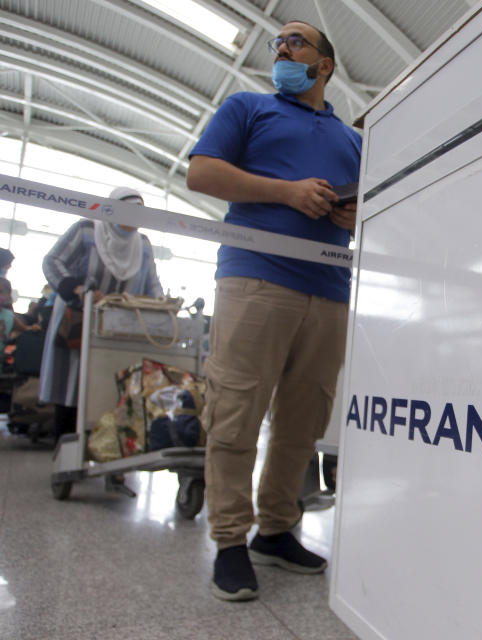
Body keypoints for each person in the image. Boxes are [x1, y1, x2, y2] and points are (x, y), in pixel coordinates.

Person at [186, 20, 360, 602]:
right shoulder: (247, 109)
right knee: (236, 411)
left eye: (295, 42)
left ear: (325, 64)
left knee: (302, 423)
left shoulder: (355, 142)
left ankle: (276, 529)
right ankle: (231, 541)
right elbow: (202, 172)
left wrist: (356, 217)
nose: (281, 49)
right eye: (277, 43)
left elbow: (376, 208)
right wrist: (286, 192)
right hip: (255, 279)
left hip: (330, 289)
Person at [38, 187, 163, 440]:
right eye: (128, 210)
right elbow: (52, 261)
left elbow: (152, 285)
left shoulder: (143, 245)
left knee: (113, 389)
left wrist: (162, 306)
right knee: (74, 386)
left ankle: (110, 458)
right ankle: (66, 454)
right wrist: (76, 288)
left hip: (120, 331)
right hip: (81, 324)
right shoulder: (87, 231)